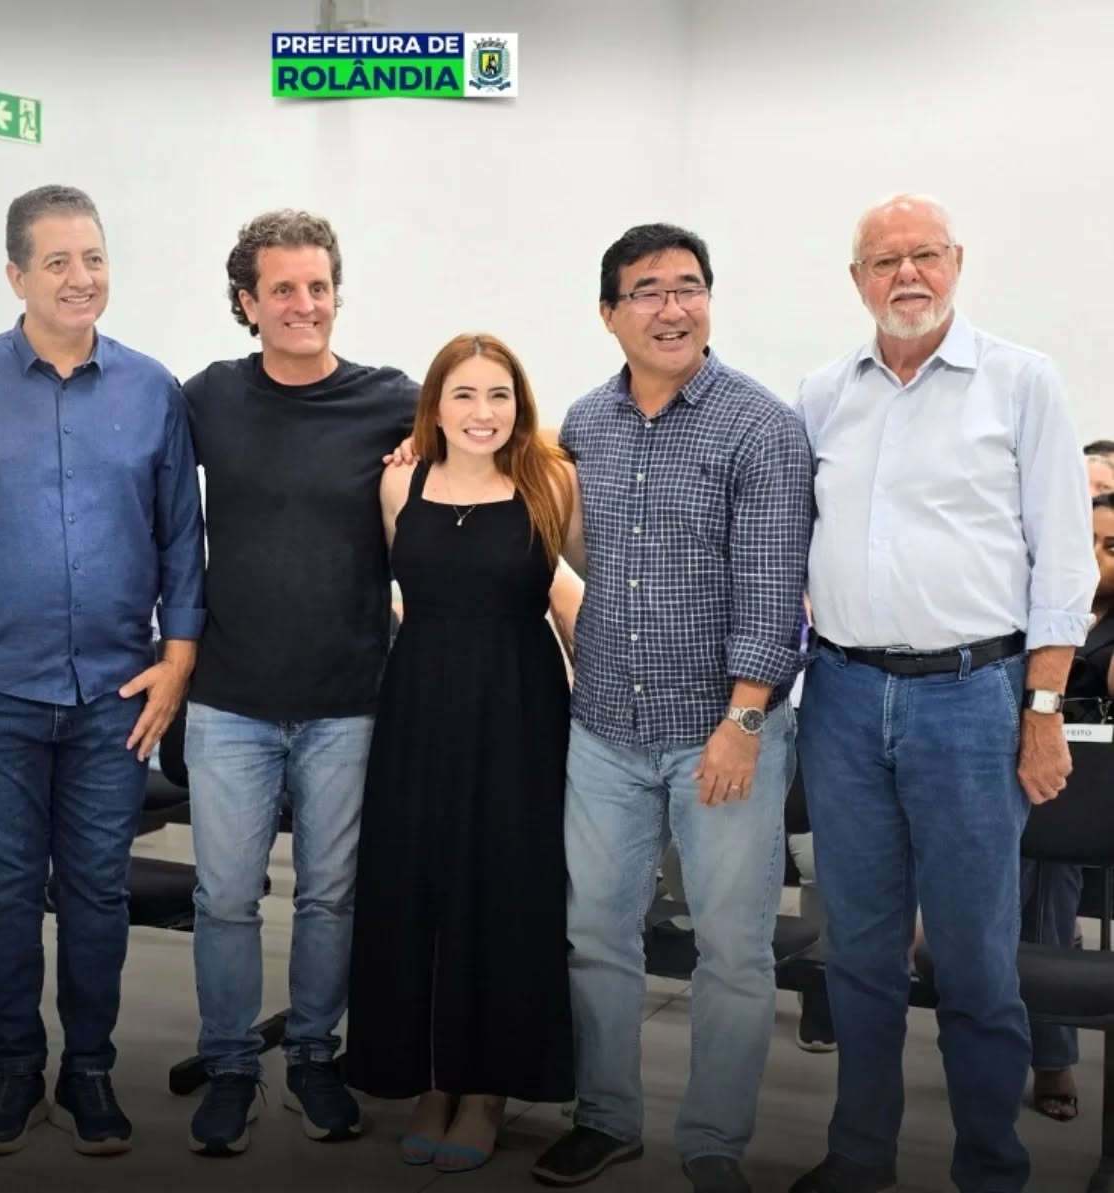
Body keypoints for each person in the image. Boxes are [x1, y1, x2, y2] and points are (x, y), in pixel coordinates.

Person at [790, 194, 1096, 1193]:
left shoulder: (1020, 380)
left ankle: (990, 1167)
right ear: (857, 281)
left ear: (956, 262)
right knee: (860, 952)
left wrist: (1041, 711)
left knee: (973, 960)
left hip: (971, 701)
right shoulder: (822, 393)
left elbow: (1065, 562)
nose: (907, 274)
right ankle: (860, 1152)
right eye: (885, 261)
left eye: (924, 254)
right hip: (840, 697)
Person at [0, 185, 205, 1157]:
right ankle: (16, 1068)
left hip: (116, 694)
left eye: (94, 258)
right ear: (16, 275)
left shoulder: (151, 388)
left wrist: (176, 663)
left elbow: (181, 539)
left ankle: (90, 1070)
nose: (81, 278)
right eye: (59, 261)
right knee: (3, 887)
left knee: (99, 891)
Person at [530, 223, 811, 1193]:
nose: (671, 307)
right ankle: (605, 1117)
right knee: (596, 935)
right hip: (606, 726)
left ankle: (714, 1139)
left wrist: (743, 722)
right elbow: (566, 546)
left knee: (731, 949)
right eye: (646, 290)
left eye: (688, 286)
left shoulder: (760, 426)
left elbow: (773, 594)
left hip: (721, 734)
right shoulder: (584, 422)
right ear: (609, 313)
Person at [179, 210, 418, 1157]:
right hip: (229, 696)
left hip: (349, 697)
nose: (304, 304)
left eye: (318, 286)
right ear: (248, 302)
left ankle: (315, 1054)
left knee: (329, 896)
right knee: (225, 898)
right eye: (282, 288)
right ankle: (231, 1065)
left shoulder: (390, 400)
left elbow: (489, 451)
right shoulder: (209, 397)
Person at [344, 334, 580, 1174]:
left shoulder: (553, 482)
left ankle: (487, 1089)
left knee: (507, 891)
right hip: (417, 703)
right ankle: (431, 1080)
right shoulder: (400, 482)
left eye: (499, 395)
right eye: (465, 395)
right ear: (435, 407)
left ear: (521, 405)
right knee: (416, 886)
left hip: (519, 705)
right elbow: (401, 590)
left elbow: (584, 595)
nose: (483, 412)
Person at [1019, 491, 1114, 1123]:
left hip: (1082, 789)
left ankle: (1053, 1056)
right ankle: (999, 1045)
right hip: (1005, 765)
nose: (1098, 557)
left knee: (1051, 885)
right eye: (1089, 542)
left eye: (1112, 547)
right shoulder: (1036, 603)